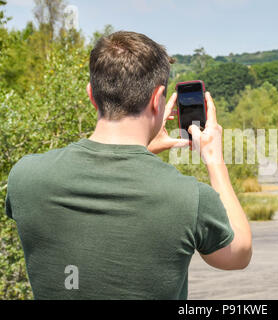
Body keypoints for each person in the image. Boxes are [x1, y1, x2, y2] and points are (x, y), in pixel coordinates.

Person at [4, 31, 252, 300]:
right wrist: (215, 160)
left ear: (91, 94)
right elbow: (238, 254)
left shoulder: (25, 177)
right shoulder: (190, 197)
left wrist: (143, 148)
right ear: (158, 99)